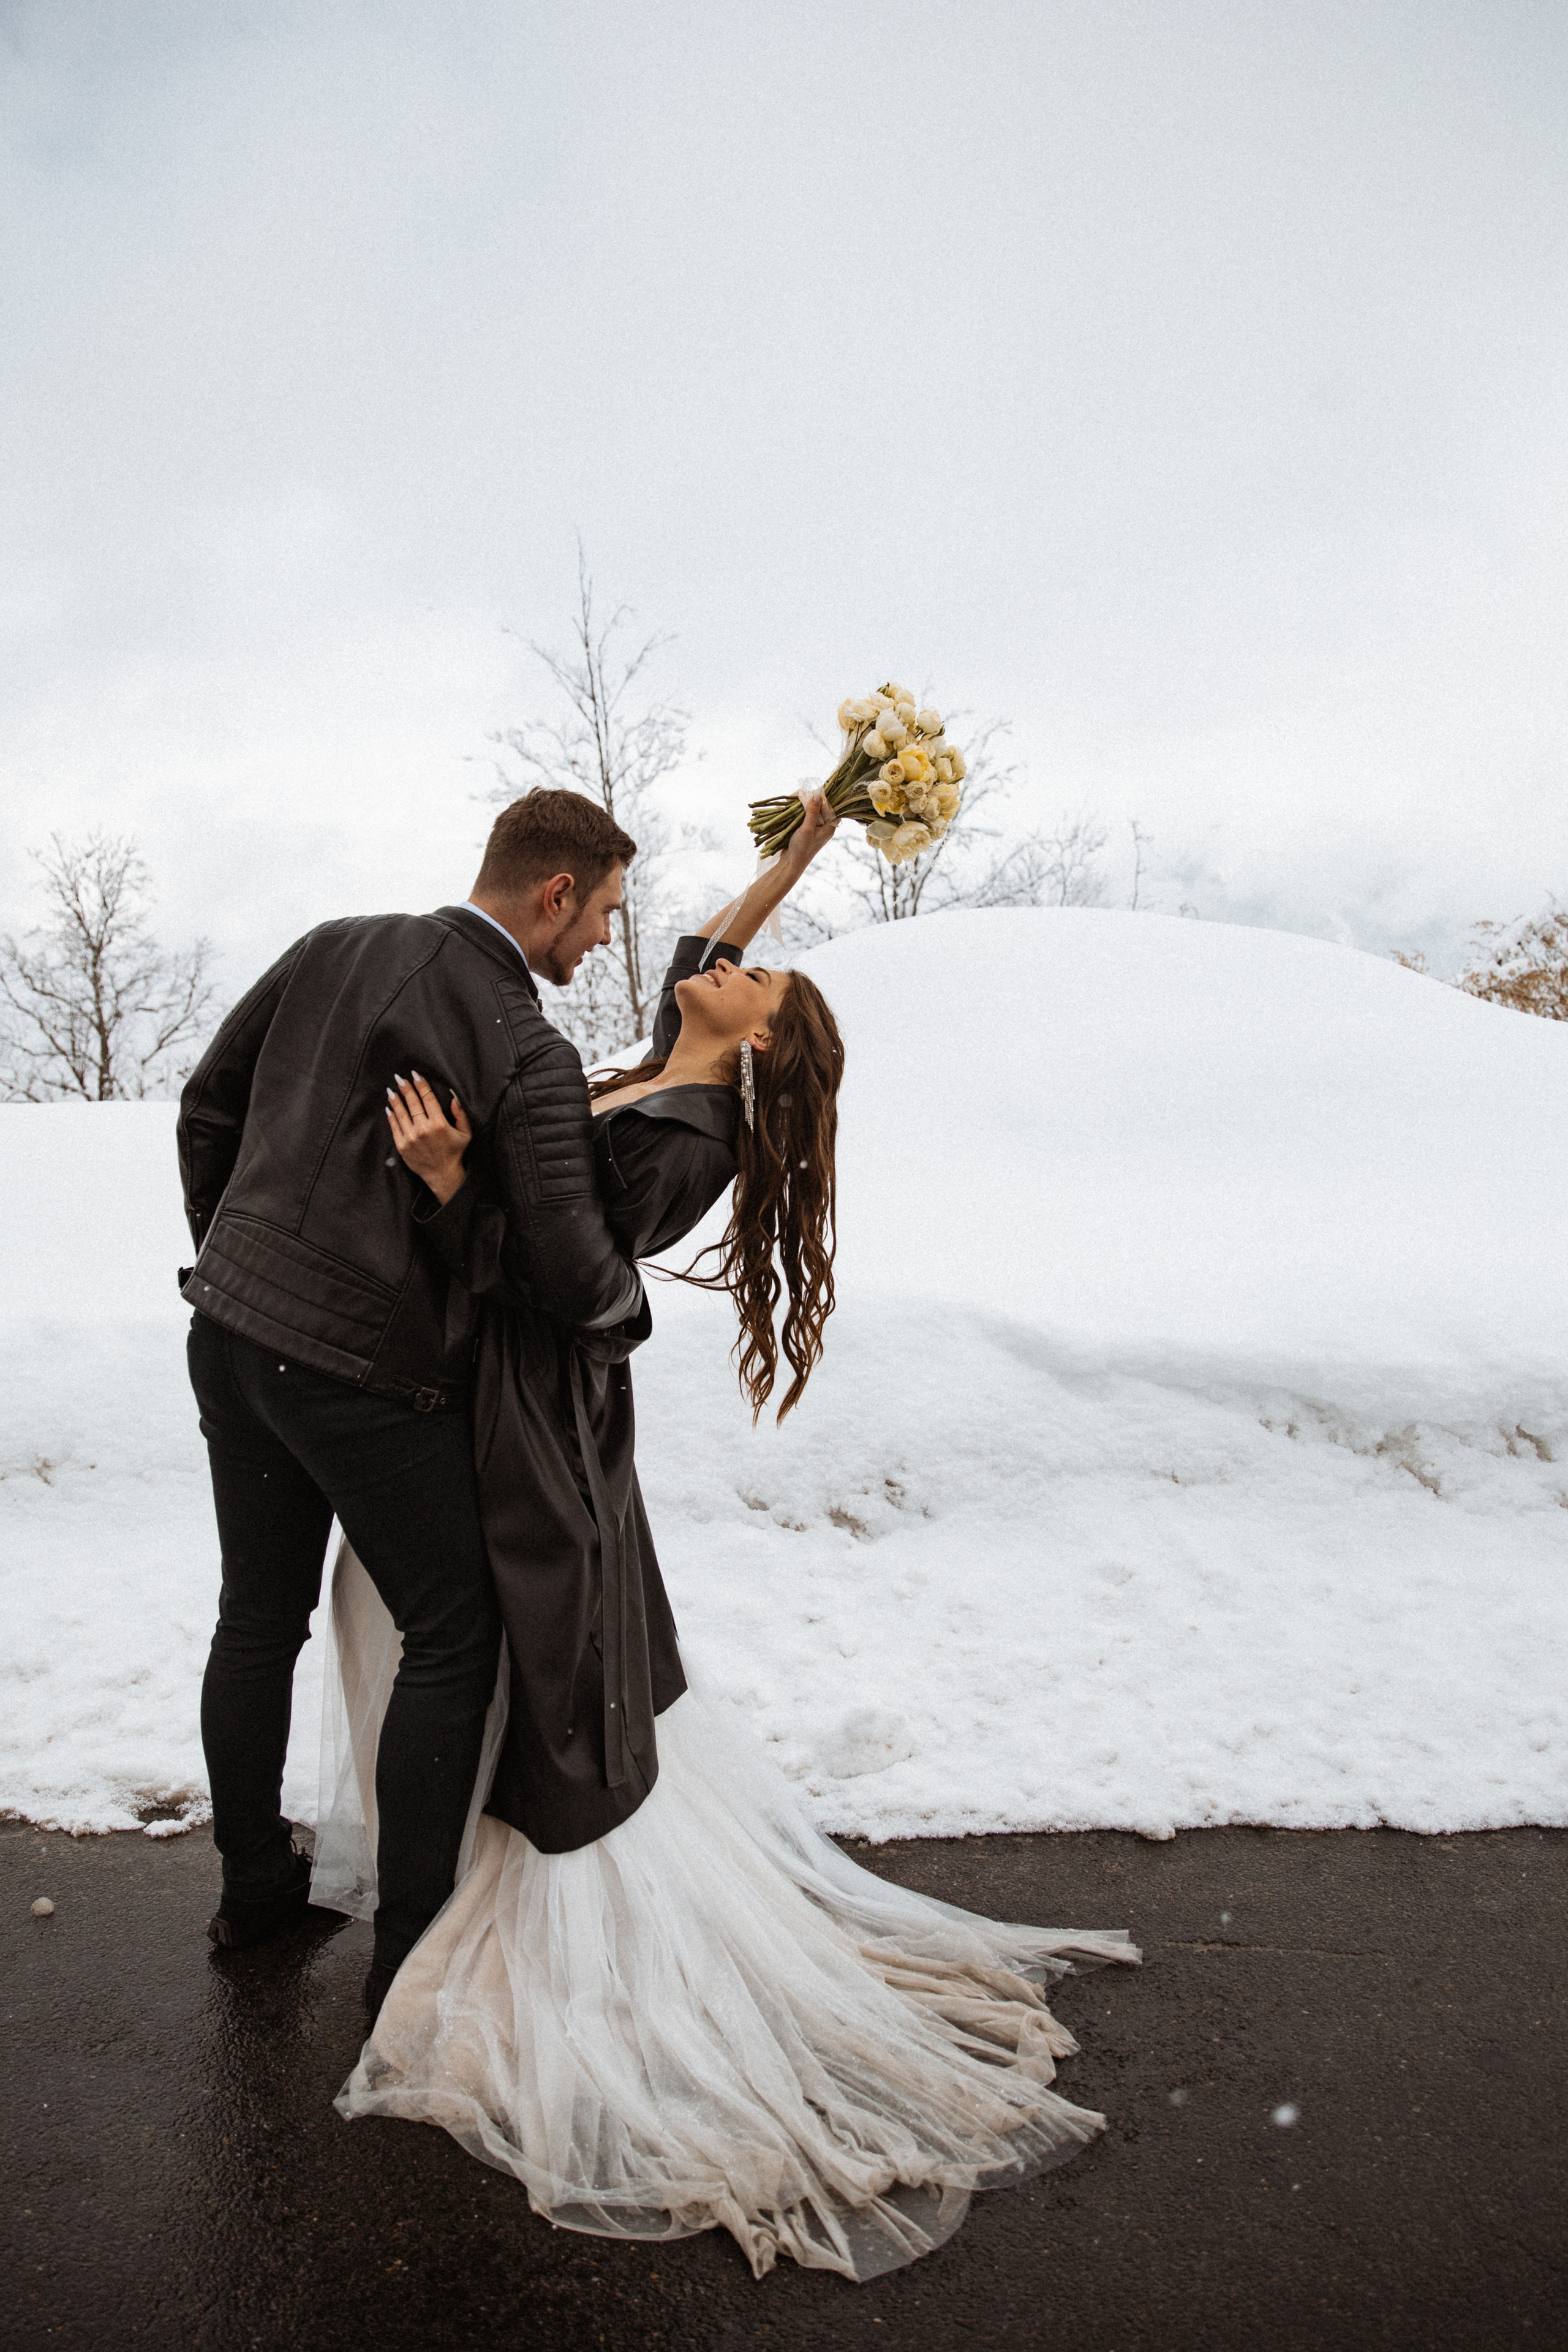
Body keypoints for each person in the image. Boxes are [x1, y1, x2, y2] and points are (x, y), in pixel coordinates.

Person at [319, 796, 1140, 2282]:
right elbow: (711, 937)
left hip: (530, 1405)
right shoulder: (657, 1061)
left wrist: (447, 1188)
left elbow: (552, 1279)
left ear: (754, 1041)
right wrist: (819, 826)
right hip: (488, 1383)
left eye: (760, 983)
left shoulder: (692, 1128)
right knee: (452, 1631)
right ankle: (446, 1873)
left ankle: (500, 1903)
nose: (723, 962)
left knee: (506, 1638)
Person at [177, 790, 647, 1993]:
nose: (598, 941)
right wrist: (622, 1308)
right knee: (456, 1634)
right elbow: (569, 1275)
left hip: (229, 1332)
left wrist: (238, 1251)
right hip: (359, 1374)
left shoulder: (336, 943)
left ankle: (253, 1892)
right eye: (598, 915)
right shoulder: (524, 1047)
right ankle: (410, 1965)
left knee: (257, 1615)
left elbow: (207, 1104)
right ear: (553, 892)